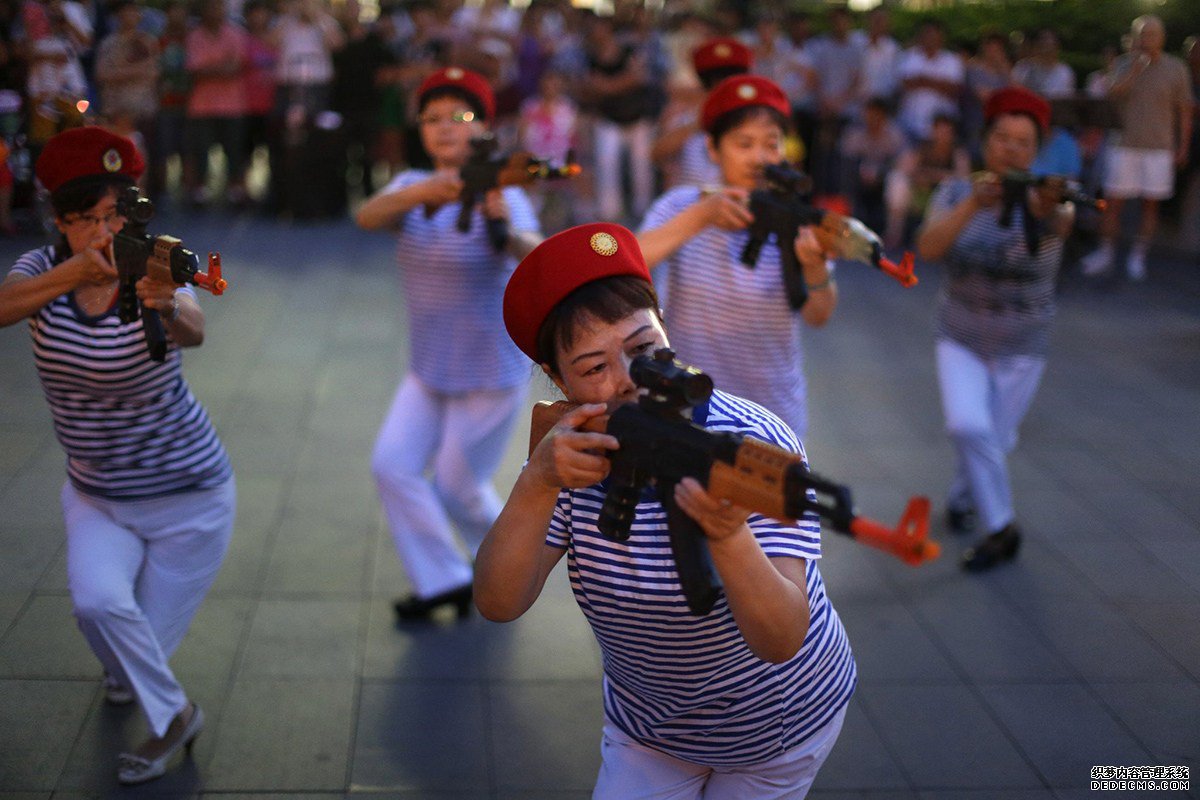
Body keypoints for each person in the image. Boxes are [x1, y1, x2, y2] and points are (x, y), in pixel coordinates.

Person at [475, 222, 855, 799]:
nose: (629, 383)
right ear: (557, 380)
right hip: (647, 725)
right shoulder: (571, 451)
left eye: (643, 351)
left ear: (664, 328)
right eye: (593, 368)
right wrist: (537, 481)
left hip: (778, 724)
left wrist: (728, 538)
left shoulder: (753, 439)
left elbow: (781, 638)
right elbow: (499, 601)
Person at [0, 127, 234, 782]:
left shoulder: (157, 258)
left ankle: (159, 705)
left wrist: (168, 304)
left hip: (188, 496)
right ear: (59, 220)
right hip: (97, 492)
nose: (104, 231)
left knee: (134, 655)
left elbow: (197, 328)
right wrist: (76, 271)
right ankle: (173, 711)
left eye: (115, 215)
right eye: (88, 219)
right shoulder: (41, 270)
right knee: (99, 608)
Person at [355, 67, 542, 622]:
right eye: (431, 117)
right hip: (429, 365)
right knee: (392, 466)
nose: (444, 128)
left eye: (459, 117)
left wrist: (502, 225)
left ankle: (515, 564)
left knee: (460, 488)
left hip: (489, 370)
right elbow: (366, 217)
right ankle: (447, 578)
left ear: (483, 128)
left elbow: (535, 254)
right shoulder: (412, 186)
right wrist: (425, 191)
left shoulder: (502, 189)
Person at [915, 87, 1073, 572]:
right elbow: (928, 247)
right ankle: (1002, 529)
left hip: (1023, 344)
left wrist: (1048, 205)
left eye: (1023, 142)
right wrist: (971, 207)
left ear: (1036, 150)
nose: (1011, 148)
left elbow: (1062, 221)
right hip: (960, 334)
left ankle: (963, 499)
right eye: (1002, 137)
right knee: (968, 425)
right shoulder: (957, 191)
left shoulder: (1048, 196)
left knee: (992, 441)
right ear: (986, 141)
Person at [638, 75, 836, 439]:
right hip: (689, 403)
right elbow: (632, 261)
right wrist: (701, 216)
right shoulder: (681, 205)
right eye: (744, 144)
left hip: (773, 414)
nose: (760, 158)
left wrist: (813, 264)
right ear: (712, 149)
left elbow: (819, 314)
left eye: (772, 144)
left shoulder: (796, 219)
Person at [1080, 15, 1193, 281]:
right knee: (1112, 202)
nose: (1147, 40)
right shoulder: (1122, 64)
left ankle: (1137, 257)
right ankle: (1105, 252)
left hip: (1159, 147)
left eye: (1152, 34)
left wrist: (1183, 146)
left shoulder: (1176, 68)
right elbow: (1109, 96)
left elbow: (1184, 111)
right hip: (1123, 145)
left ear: (1162, 37)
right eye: (1142, 34)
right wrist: (1134, 71)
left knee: (1150, 206)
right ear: (1135, 37)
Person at [651, 36, 753, 190]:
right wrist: (700, 122)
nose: (723, 86)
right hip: (689, 202)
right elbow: (656, 154)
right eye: (717, 79)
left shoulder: (753, 111)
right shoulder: (681, 110)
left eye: (731, 79)